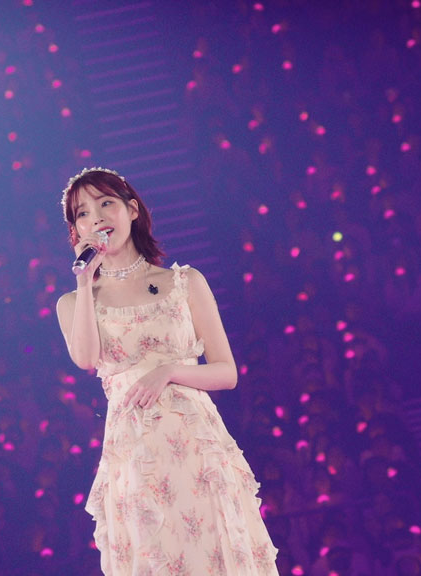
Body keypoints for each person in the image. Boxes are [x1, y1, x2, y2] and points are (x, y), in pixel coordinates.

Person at [56, 167, 279, 575]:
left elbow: (226, 372)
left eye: (106, 203)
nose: (97, 217)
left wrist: (170, 371)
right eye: (83, 213)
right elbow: (86, 358)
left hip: (197, 448)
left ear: (132, 210)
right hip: (135, 456)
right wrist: (85, 283)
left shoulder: (186, 282)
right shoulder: (73, 302)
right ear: (77, 231)